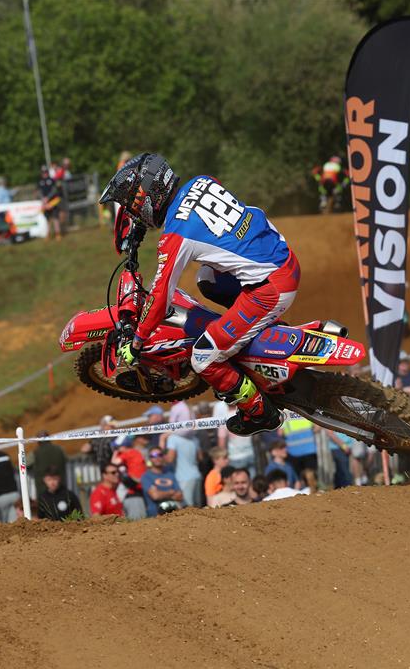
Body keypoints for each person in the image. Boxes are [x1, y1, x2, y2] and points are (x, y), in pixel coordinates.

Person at [101, 153, 299, 436]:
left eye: (133, 203)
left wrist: (137, 342)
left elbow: (160, 297)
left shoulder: (176, 236)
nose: (133, 212)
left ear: (147, 196)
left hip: (270, 289)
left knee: (204, 358)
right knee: (206, 277)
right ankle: (259, 335)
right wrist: (141, 225)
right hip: (281, 257)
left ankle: (260, 414)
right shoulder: (201, 181)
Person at [140, 448, 184, 517]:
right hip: (155, 515)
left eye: (160, 455)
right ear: (150, 459)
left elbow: (180, 496)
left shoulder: (170, 474)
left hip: (174, 514)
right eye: (153, 456)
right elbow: (155, 496)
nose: (157, 458)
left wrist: (160, 493)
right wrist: (171, 492)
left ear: (163, 457)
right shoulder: (146, 476)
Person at [113, 437, 148, 520]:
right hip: (140, 482)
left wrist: (115, 452)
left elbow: (114, 461)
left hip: (133, 483)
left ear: (124, 446)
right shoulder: (136, 452)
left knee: (119, 495)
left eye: (118, 447)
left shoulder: (128, 453)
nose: (117, 449)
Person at [166, 429, 200, 508]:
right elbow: (199, 457)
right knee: (198, 506)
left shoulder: (173, 438)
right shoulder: (195, 438)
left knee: (188, 507)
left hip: (184, 478)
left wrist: (162, 440)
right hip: (196, 475)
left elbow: (170, 459)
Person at [30, 432, 67, 497]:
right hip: (60, 485)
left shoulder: (36, 452)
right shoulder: (59, 449)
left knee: (45, 503)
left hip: (43, 487)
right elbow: (66, 459)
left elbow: (26, 464)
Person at [38, 165, 63, 239]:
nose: (44, 173)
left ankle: (57, 234)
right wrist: (43, 199)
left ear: (47, 172)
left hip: (53, 202)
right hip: (45, 203)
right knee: (47, 219)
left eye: (45, 172)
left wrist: (48, 197)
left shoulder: (52, 180)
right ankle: (48, 234)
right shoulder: (40, 181)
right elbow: (39, 191)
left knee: (55, 218)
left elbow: (54, 190)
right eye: (43, 172)